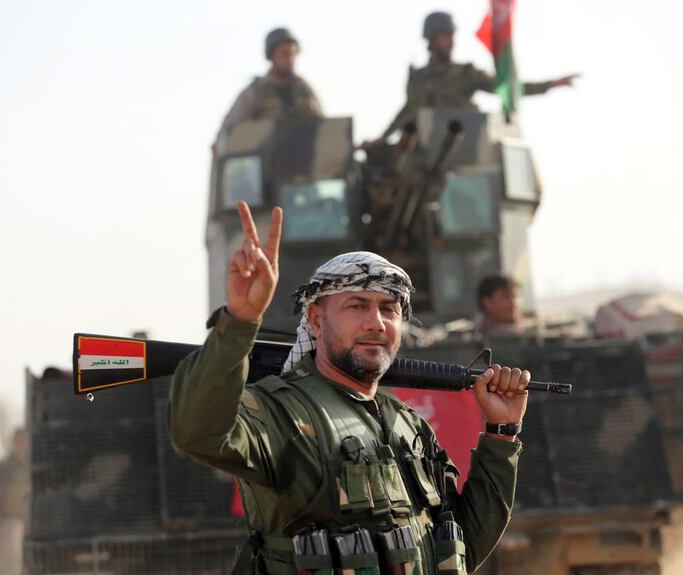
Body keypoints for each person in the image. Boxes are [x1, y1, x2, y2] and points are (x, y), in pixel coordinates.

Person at [168, 201, 531, 574]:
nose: (376, 323)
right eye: (357, 306)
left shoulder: (409, 425)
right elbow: (198, 435)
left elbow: (463, 547)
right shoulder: (283, 414)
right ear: (315, 319)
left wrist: (501, 435)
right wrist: (241, 320)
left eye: (389, 309)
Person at [369, 11, 578, 144]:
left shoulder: (465, 73)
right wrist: (380, 140)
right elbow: (407, 112)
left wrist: (549, 85)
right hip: (425, 152)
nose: (450, 42)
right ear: (431, 40)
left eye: (452, 36)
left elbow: (505, 87)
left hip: (463, 148)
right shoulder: (418, 79)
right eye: (445, 36)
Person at [219, 27, 324, 133]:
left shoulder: (305, 90)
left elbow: (323, 127)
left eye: (292, 54)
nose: (290, 59)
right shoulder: (255, 92)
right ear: (271, 56)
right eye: (284, 54)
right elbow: (227, 133)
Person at [0, 428, 28, 575]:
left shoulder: (32, 464)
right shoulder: (4, 465)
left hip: (30, 520)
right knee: (13, 555)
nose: (22, 445)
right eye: (18, 441)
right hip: (11, 518)